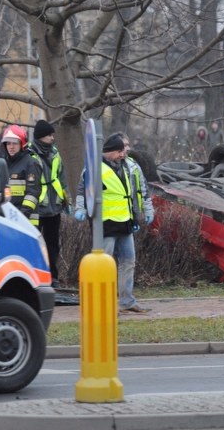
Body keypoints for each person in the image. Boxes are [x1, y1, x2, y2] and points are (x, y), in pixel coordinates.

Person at [74, 134, 150, 314]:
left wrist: (135, 217)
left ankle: (126, 301)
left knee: (128, 262)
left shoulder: (125, 166)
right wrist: (80, 209)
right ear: (110, 152)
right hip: (105, 225)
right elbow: (82, 190)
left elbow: (131, 194)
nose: (124, 154)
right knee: (104, 267)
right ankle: (104, 304)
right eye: (120, 151)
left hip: (125, 223)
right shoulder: (94, 169)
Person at [27, 119, 70, 287]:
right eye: (49, 135)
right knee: (36, 244)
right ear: (41, 137)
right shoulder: (30, 154)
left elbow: (62, 178)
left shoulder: (54, 153)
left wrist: (67, 201)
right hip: (37, 207)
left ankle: (53, 277)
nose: (52, 138)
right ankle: (36, 276)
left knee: (53, 245)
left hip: (54, 207)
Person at [0, 125, 42, 226]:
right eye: (8, 143)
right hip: (9, 218)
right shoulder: (4, 163)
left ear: (22, 144)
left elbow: (33, 193)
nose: (11, 147)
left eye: (15, 143)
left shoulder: (31, 163)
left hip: (27, 222)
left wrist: (22, 216)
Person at [115, 132, 155, 228]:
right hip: (112, 220)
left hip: (131, 218)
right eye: (124, 145)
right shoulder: (105, 166)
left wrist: (148, 210)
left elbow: (143, 189)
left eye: (128, 145)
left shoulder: (133, 165)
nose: (128, 149)